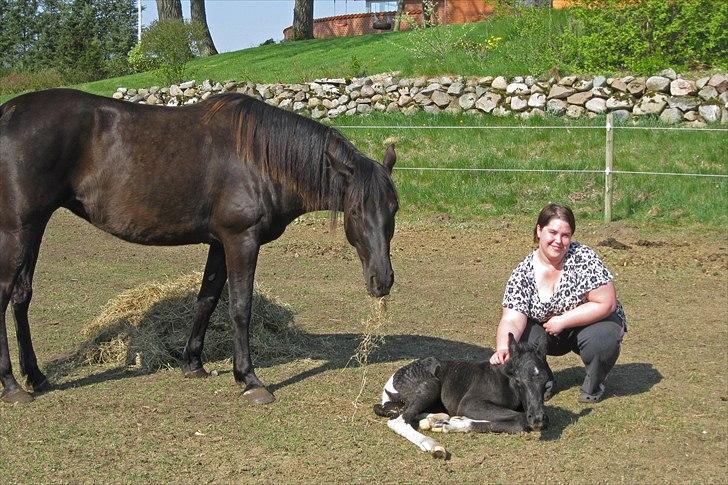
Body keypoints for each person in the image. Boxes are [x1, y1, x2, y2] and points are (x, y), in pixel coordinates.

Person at [489, 203, 626, 403]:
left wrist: (564, 320)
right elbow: (511, 318)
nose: (558, 241)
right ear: (539, 231)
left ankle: (594, 384)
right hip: (546, 333)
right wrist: (503, 348)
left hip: (586, 325)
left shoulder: (584, 258)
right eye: (552, 232)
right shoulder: (522, 272)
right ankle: (542, 379)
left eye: (566, 235)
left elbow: (606, 303)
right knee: (523, 336)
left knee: (605, 336)